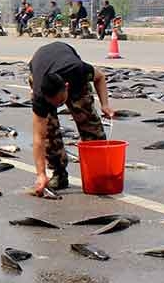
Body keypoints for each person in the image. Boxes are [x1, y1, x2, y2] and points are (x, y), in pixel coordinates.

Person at [29, 41, 115, 194]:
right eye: (53, 104)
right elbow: (38, 138)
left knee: (89, 122)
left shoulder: (78, 71)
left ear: (66, 87)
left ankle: (98, 172)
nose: (58, 106)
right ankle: (59, 172)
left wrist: (105, 105)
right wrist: (40, 174)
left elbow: (100, 77)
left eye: (61, 102)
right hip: (39, 66)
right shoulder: (40, 97)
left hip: (68, 67)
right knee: (48, 130)